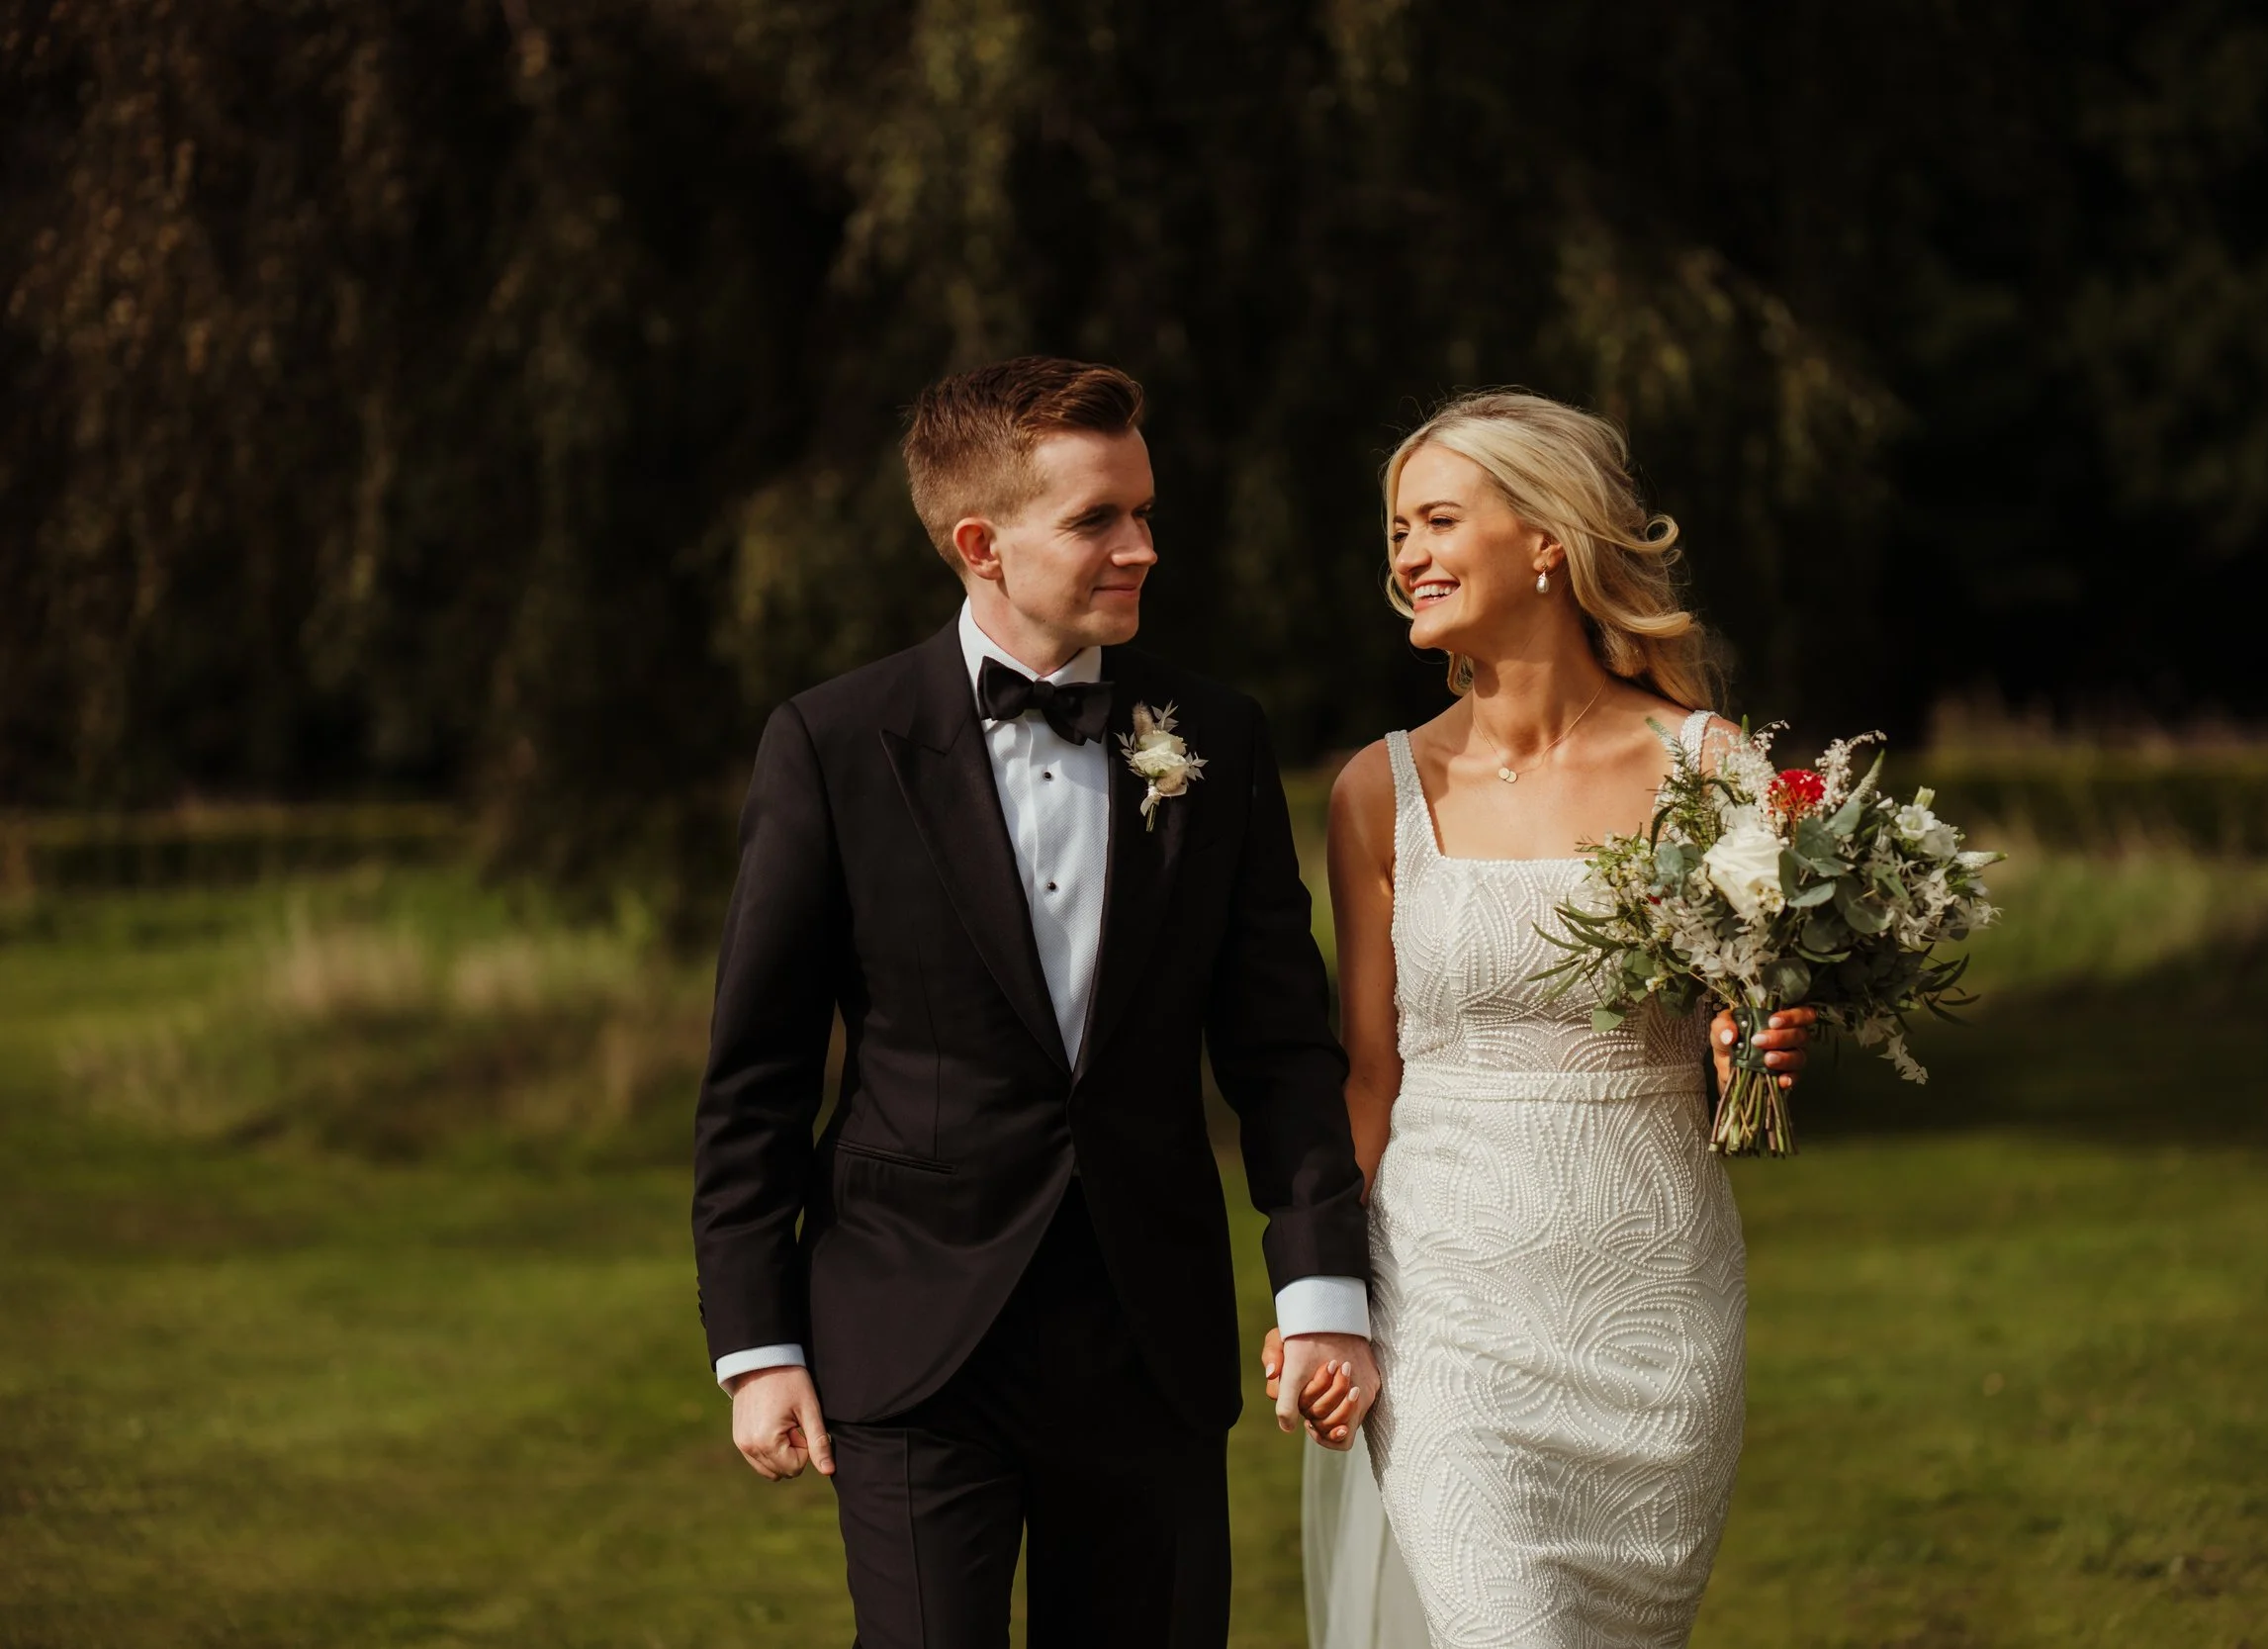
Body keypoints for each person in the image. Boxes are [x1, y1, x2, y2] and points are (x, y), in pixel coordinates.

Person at [690, 356, 1377, 1649]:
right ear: (979, 543)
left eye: (1145, 510)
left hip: (1149, 1333)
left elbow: (1282, 1050)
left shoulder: (1213, 736)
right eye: (1098, 519)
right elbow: (758, 1072)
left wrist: (1321, 1282)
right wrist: (755, 1339)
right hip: (910, 1334)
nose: (1143, 547)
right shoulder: (836, 745)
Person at [1274, 390, 1818, 1648]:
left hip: (1656, 1307)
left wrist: (1762, 1050)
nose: (1406, 552)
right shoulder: (1380, 790)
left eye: (1438, 519)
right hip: (1449, 1311)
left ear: (1547, 541)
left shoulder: (1711, 769)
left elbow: (1745, 1025)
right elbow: (1367, 1076)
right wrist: (1321, 1300)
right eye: (1395, 528)